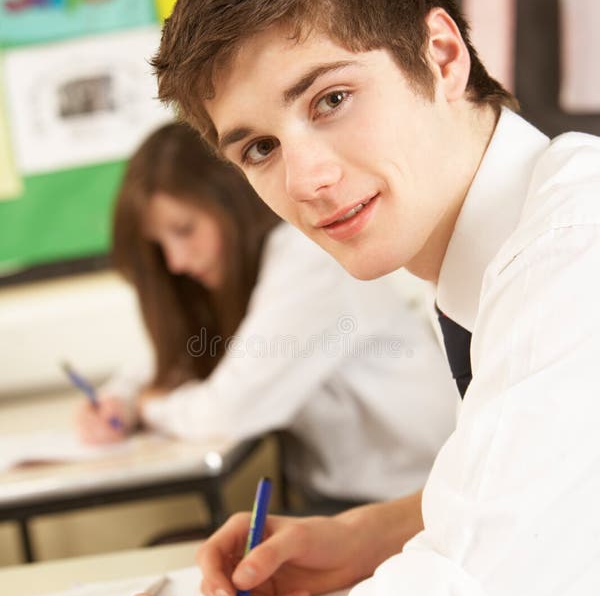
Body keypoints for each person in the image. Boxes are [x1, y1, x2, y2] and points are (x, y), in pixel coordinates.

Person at [34, 0, 600, 596]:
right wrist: (369, 534)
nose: (305, 181)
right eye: (259, 147)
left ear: (443, 56)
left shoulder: (576, 258)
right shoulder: (520, 241)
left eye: (330, 99)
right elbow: (561, 483)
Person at [75, 121, 455, 506]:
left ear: (229, 201)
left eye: (185, 229)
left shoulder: (310, 260)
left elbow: (226, 413)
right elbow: (169, 358)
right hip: (346, 499)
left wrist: (145, 407)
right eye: (161, 245)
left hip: (419, 499)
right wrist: (118, 398)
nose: (175, 261)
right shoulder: (238, 276)